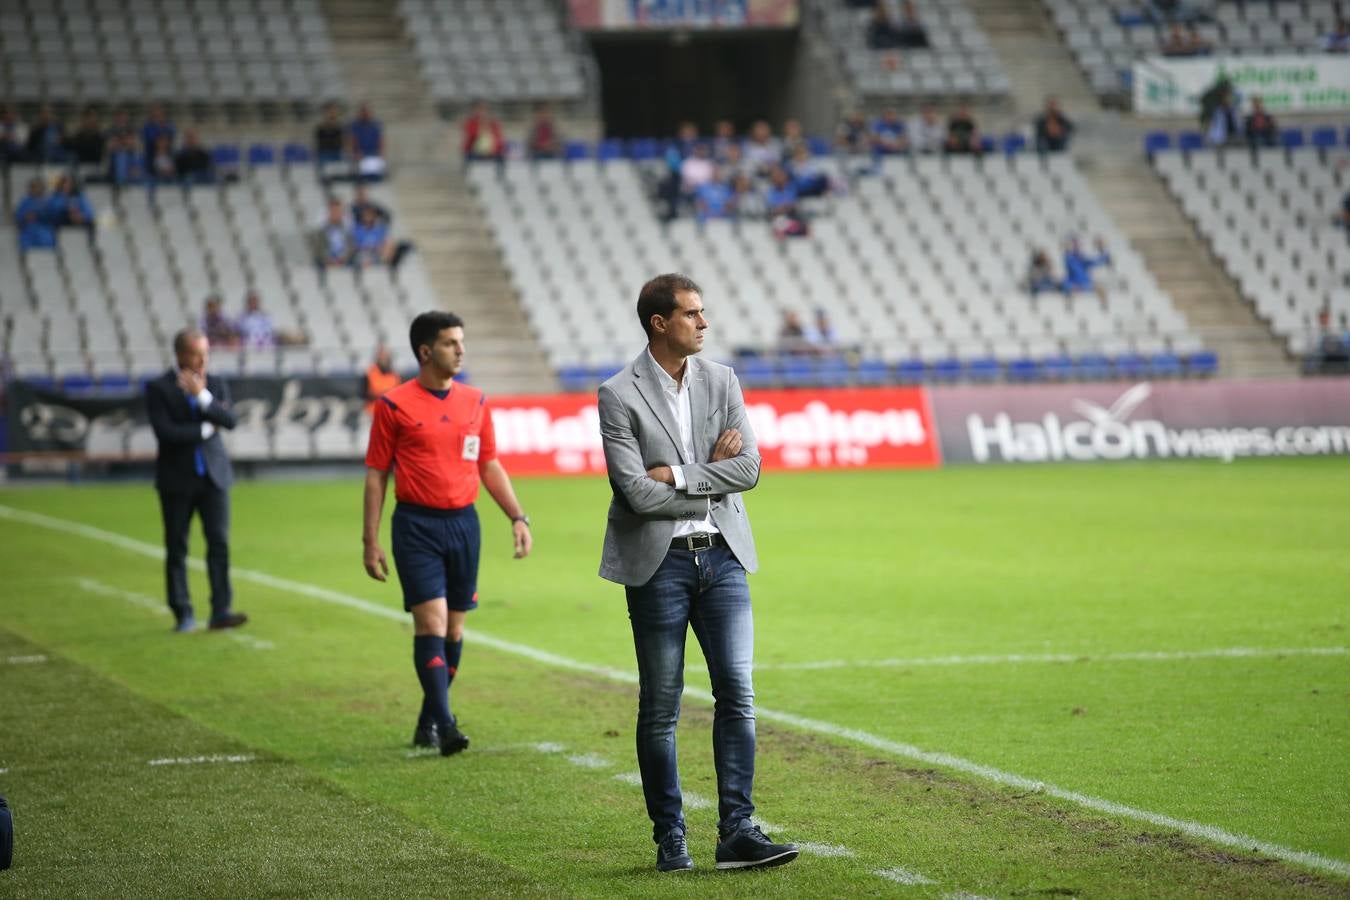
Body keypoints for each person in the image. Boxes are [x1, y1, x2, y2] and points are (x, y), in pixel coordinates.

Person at [596, 273, 798, 873]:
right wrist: (710, 474)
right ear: (660, 323)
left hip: (724, 557)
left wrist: (679, 475)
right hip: (658, 565)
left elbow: (750, 469)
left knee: (737, 692)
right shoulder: (618, 394)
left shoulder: (722, 380)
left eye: (702, 312)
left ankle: (737, 831)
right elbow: (635, 493)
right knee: (661, 705)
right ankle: (671, 838)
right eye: (691, 314)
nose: (704, 323)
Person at [362, 311, 533, 756]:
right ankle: (446, 725)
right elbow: (377, 474)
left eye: (461, 341)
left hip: (464, 525)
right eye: (450, 343)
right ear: (425, 351)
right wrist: (370, 540)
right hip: (416, 526)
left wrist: (518, 517)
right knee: (432, 623)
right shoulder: (393, 405)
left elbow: (489, 464)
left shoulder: (475, 401)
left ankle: (428, 719)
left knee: (454, 631)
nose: (460, 350)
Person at [145, 330, 249, 633]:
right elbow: (166, 433)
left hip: (214, 477)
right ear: (180, 355)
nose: (202, 360)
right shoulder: (159, 388)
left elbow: (230, 421)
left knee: (219, 543)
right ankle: (183, 612)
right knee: (177, 546)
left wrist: (202, 396)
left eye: (205, 353)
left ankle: (221, 610)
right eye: (195, 354)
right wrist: (205, 430)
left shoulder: (215, 384)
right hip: (177, 479)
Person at [15, 179, 56, 252]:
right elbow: (19, 218)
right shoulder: (25, 202)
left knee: (48, 241)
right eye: (35, 187)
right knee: (26, 245)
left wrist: (39, 214)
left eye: (39, 187)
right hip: (28, 230)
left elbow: (51, 218)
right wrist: (26, 217)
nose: (37, 190)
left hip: (44, 229)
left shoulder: (47, 202)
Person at [461, 100, 504, 165]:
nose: (482, 112)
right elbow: (471, 135)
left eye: (484, 110)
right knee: (469, 157)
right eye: (480, 110)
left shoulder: (493, 123)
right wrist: (481, 126)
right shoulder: (471, 122)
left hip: (491, 152)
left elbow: (498, 138)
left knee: (501, 158)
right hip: (475, 151)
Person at [350, 102, 386, 180]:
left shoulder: (376, 125)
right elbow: (353, 140)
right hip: (361, 154)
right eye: (364, 112)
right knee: (361, 172)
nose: (366, 114)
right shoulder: (356, 125)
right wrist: (356, 153)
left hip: (373, 153)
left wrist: (381, 153)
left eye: (367, 111)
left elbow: (380, 140)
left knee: (378, 172)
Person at [364, 343, 400, 414]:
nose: (383, 359)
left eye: (385, 356)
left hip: (390, 412)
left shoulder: (395, 375)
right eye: (381, 356)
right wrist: (382, 395)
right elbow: (365, 393)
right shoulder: (370, 373)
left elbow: (398, 396)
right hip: (373, 411)